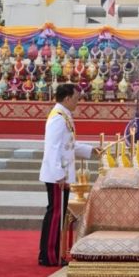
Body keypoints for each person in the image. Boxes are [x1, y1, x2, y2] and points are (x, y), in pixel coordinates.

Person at [38, 83, 97, 266]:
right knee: (56, 214)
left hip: (61, 173)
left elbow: (68, 146)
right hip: (57, 176)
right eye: (76, 98)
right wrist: (59, 176)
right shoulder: (57, 118)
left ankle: (51, 253)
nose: (78, 102)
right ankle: (50, 255)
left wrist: (90, 150)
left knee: (58, 214)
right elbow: (53, 149)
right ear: (67, 98)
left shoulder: (64, 116)